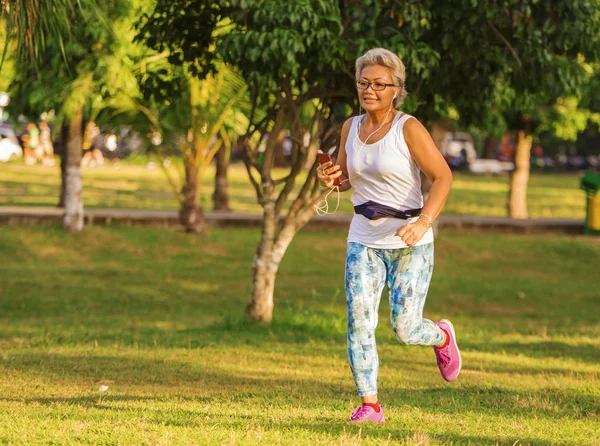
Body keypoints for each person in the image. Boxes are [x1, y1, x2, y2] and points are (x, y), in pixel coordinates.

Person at [316, 48, 461, 424]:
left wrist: (423, 222)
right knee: (359, 320)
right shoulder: (351, 127)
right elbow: (347, 180)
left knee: (405, 327)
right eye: (364, 82)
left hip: (410, 240)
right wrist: (333, 178)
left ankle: (442, 337)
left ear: (396, 89)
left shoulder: (408, 128)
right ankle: (370, 405)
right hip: (363, 238)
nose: (370, 90)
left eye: (380, 84)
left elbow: (442, 177)